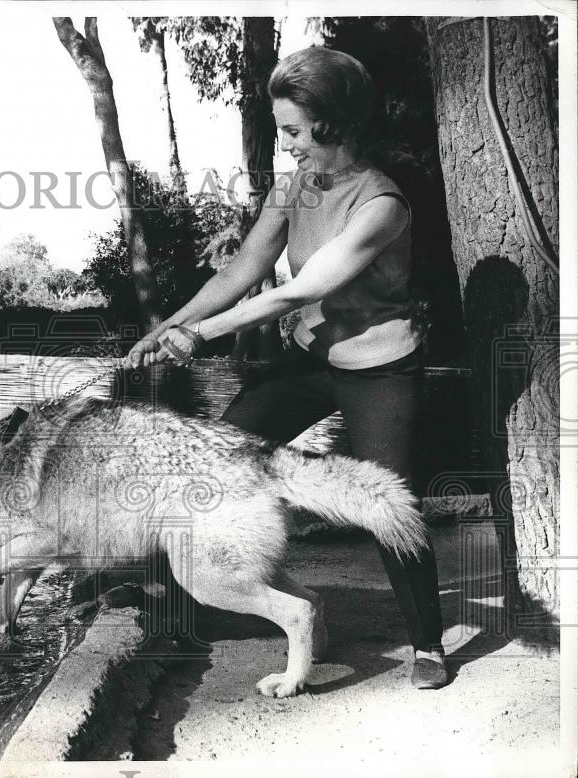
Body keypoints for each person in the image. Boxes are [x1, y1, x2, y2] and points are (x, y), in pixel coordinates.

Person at [125, 46, 448, 689]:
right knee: (217, 453)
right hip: (310, 357)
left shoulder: (381, 203)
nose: (289, 144)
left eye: (296, 131)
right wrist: (169, 325)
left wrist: (203, 334)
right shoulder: (294, 185)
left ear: (336, 125)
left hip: (379, 365)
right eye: (282, 132)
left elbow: (294, 291)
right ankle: (195, 597)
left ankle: (427, 643)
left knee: (387, 501)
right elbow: (245, 269)